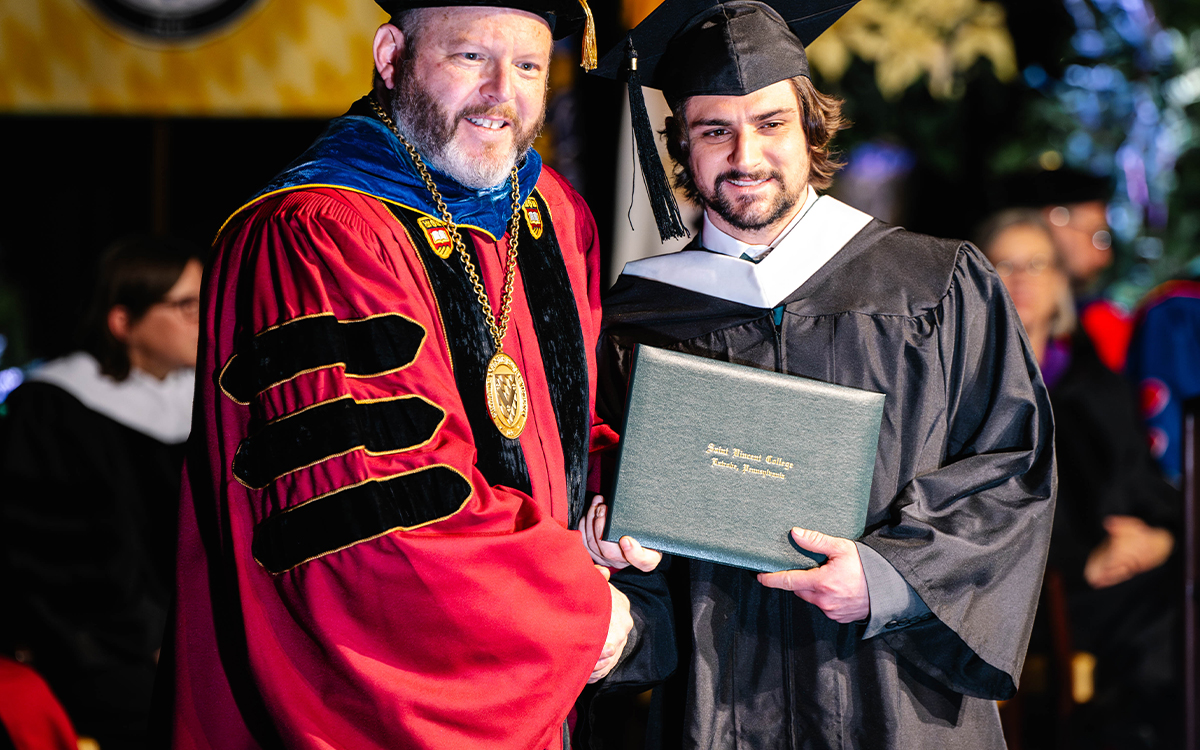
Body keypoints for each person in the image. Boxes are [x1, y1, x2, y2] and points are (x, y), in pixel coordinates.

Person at [152, 3, 662, 749]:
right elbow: (379, 519)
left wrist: (623, 509)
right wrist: (590, 612)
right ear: (390, 57)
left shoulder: (551, 211)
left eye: (527, 67)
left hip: (537, 689)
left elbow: (568, 433)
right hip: (363, 708)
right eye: (469, 60)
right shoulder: (319, 233)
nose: (502, 93)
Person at [585, 2, 1056, 748]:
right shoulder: (637, 318)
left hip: (896, 698)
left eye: (771, 123)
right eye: (715, 130)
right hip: (720, 705)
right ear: (680, 142)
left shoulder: (933, 285)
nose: (746, 154)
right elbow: (607, 497)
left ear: (810, 126)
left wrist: (891, 578)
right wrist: (612, 557)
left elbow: (1011, 465)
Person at [978, 210, 1180, 749]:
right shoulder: (965, 388)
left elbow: (1147, 487)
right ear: (980, 280)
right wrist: (1082, 557)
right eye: (1006, 264)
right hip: (1023, 592)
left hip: (1118, 579)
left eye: (1037, 264)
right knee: (1158, 625)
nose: (1022, 278)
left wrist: (1156, 538)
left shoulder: (1096, 383)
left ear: (1060, 283)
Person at [0, 235, 202, 749]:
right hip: (100, 645)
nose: (203, 317)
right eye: (185, 305)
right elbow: (57, 555)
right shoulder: (54, 409)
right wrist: (154, 640)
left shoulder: (210, 401)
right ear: (121, 321)